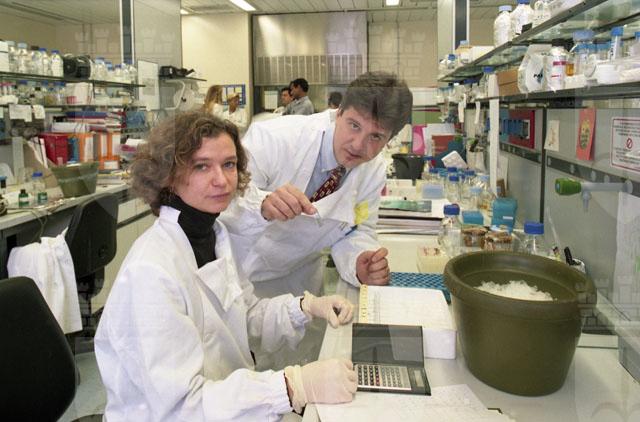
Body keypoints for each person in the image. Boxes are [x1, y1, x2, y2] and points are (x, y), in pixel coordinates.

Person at [94, 111, 357, 421]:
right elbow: (181, 406)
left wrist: (305, 307)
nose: (221, 180)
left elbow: (243, 317)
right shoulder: (151, 272)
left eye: (229, 164)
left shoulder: (215, 236)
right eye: (201, 166)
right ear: (168, 175)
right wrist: (291, 387)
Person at [221, 71, 413, 299]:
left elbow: (358, 229)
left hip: (300, 281)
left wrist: (359, 263)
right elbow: (223, 204)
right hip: (241, 277)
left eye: (376, 137)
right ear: (339, 112)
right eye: (354, 125)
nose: (358, 145)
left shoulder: (372, 171)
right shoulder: (274, 139)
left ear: (389, 140)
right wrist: (262, 205)